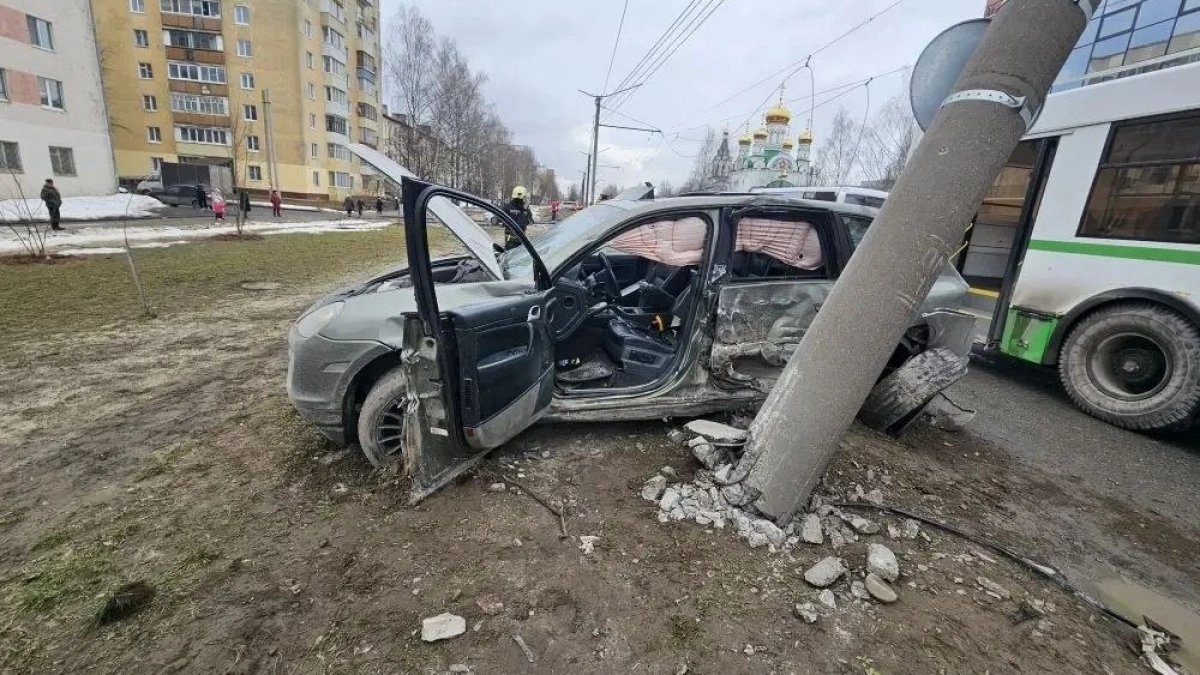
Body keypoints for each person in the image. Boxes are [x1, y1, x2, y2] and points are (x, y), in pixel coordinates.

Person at [503, 185, 534, 250]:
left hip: (510, 239)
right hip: (519, 239)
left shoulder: (506, 207)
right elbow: (530, 221)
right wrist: (525, 211)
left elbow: (502, 221)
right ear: (523, 197)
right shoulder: (525, 208)